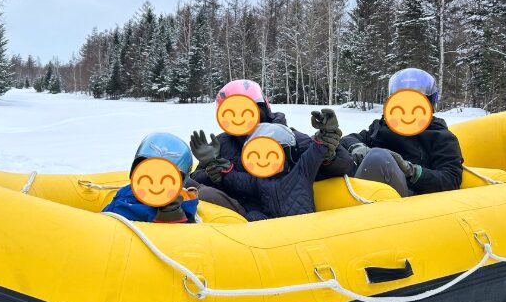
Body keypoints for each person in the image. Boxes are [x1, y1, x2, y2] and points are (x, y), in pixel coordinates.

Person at [189, 79, 354, 214]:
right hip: (245, 216)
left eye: (247, 110)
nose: (240, 118)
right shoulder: (222, 144)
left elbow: (340, 164)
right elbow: (198, 178)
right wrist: (213, 172)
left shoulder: (289, 138)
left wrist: (329, 152)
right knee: (201, 191)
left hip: (293, 213)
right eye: (232, 112)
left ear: (262, 108)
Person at [190, 112, 347, 221]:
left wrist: (327, 133)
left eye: (272, 155)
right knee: (252, 216)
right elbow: (234, 178)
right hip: (272, 230)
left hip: (304, 225)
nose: (264, 161)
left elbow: (316, 151)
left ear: (287, 154)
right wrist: (214, 162)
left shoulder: (301, 171)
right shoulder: (257, 180)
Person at [341, 68, 463, 197]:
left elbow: (452, 178)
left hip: (411, 197)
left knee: (378, 157)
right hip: (374, 187)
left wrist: (412, 171)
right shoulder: (381, 127)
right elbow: (348, 139)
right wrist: (357, 147)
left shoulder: (439, 135)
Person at [103, 132, 199, 223]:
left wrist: (172, 217)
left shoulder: (178, 206)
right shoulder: (126, 192)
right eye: (147, 171)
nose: (155, 183)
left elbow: (186, 230)